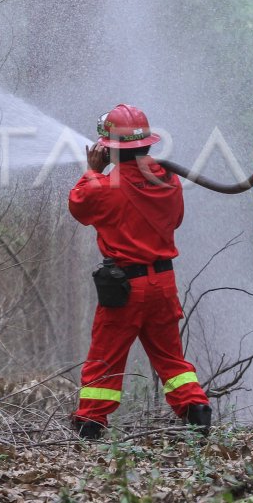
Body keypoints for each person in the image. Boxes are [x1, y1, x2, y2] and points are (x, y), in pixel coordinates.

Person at [67, 103, 213, 440]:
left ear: (110, 148)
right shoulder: (169, 180)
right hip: (163, 282)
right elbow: (174, 220)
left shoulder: (103, 186)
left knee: (105, 357)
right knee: (169, 355)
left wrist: (92, 170)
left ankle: (90, 423)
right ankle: (196, 408)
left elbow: (78, 206)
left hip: (126, 287)